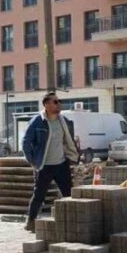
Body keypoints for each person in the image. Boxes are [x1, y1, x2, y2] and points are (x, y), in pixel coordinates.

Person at [21, 91, 79, 232]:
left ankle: (71, 223)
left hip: (61, 164)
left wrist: (73, 155)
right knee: (39, 196)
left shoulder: (64, 121)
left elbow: (69, 140)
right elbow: (25, 141)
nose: (59, 104)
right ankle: (31, 222)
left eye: (59, 101)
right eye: (55, 102)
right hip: (44, 166)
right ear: (46, 105)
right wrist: (33, 161)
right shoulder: (37, 121)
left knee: (69, 195)